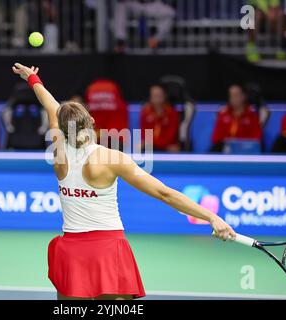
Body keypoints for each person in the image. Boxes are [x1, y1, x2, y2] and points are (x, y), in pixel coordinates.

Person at [12, 62, 236, 300]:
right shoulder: (112, 158)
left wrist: (32, 80)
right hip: (108, 251)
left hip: (72, 253)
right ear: (92, 123)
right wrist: (211, 217)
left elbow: (50, 106)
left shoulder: (58, 153)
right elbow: (164, 194)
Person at [211, 85, 262, 152]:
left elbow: (257, 138)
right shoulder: (223, 114)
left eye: (236, 95)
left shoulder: (252, 115)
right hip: (225, 150)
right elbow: (215, 138)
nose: (233, 98)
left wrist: (238, 146)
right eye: (231, 96)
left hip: (246, 151)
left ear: (244, 96)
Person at [140, 84, 179, 152]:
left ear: (164, 96)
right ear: (150, 97)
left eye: (159, 95)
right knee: (139, 146)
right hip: (152, 145)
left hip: (167, 145)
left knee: (175, 148)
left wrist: (158, 145)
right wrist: (153, 144)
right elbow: (144, 133)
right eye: (154, 95)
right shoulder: (145, 112)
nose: (157, 98)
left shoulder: (172, 112)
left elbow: (171, 135)